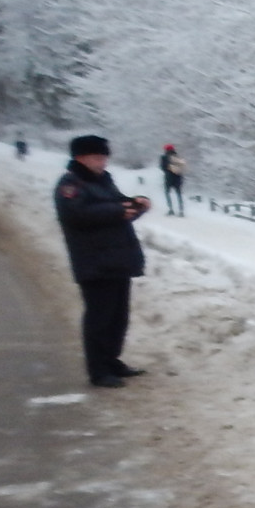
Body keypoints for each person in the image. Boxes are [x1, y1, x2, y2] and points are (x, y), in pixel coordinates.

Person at [54, 135, 151, 387]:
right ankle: (98, 369)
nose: (102, 162)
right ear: (80, 157)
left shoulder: (102, 181)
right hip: (94, 261)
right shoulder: (71, 185)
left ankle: (111, 360)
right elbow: (76, 215)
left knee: (118, 316)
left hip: (117, 259)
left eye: (104, 157)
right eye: (97, 157)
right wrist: (118, 211)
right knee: (99, 317)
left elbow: (116, 206)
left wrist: (134, 204)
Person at [159, 144, 186, 215]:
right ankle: (181, 210)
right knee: (179, 194)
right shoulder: (177, 157)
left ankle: (171, 209)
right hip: (178, 178)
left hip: (168, 178)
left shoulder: (164, 157)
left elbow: (162, 167)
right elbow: (182, 167)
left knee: (167, 193)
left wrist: (168, 169)